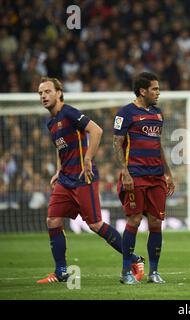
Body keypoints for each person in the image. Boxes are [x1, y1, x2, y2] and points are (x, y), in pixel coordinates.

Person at [36, 77, 144, 284]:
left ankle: (134, 259)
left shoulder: (69, 112)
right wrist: (59, 170)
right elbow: (61, 148)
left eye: (47, 91)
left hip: (83, 177)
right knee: (52, 220)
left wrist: (87, 158)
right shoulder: (51, 122)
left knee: (95, 224)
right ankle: (61, 272)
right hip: (65, 180)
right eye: (40, 93)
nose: (43, 96)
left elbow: (96, 130)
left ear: (59, 93)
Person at [113, 72, 175, 285]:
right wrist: (125, 172)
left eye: (158, 89)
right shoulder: (126, 113)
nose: (158, 92)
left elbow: (158, 146)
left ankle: (154, 272)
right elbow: (117, 143)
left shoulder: (158, 114)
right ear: (142, 91)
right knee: (135, 220)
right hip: (135, 176)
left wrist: (168, 173)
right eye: (155, 89)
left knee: (156, 222)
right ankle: (125, 272)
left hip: (156, 176)